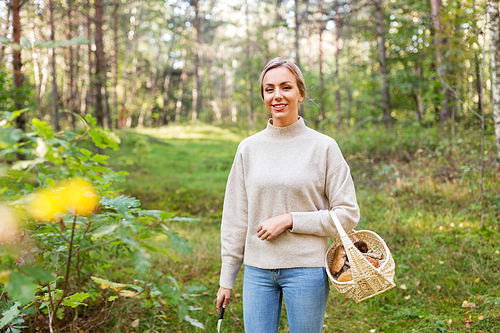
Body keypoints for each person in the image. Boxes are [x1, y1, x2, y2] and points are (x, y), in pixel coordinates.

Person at [216, 57, 360, 333]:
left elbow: (347, 214)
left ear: (301, 94)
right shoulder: (248, 149)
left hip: (307, 270)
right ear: (263, 96)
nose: (277, 95)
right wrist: (227, 279)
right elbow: (235, 218)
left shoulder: (324, 148)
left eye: (286, 87)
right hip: (257, 271)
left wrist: (290, 219)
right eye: (269, 89)